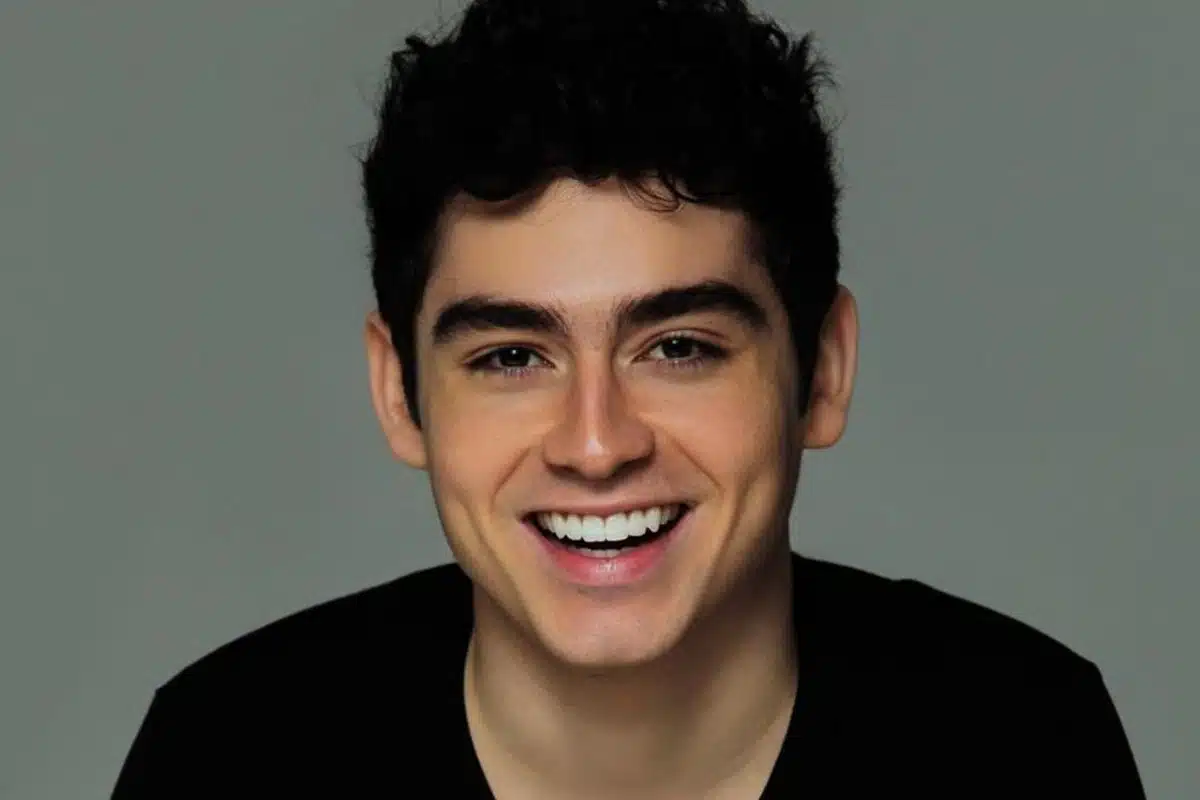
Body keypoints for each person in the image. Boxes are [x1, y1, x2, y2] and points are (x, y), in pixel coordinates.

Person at [112, 0, 1146, 797]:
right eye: (512, 357)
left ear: (824, 369)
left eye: (679, 347)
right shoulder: (224, 759)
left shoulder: (1025, 745)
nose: (597, 443)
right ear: (399, 392)